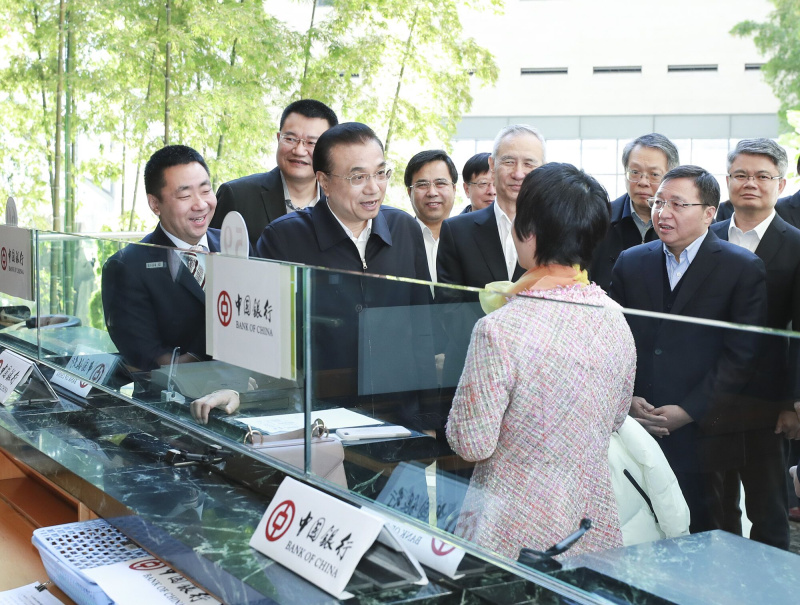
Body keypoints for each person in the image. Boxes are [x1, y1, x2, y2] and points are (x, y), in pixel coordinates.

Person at [446, 162, 636, 559]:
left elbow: (471, 442)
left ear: (529, 231)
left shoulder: (499, 328)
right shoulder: (616, 317)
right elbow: (616, 418)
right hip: (589, 516)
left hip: (509, 520)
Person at [609, 165, 768, 535]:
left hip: (706, 434)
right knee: (639, 530)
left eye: (678, 204)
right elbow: (613, 339)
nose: (663, 213)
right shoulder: (631, 261)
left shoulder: (742, 268)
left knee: (706, 531)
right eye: (659, 203)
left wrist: (689, 411)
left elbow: (743, 356)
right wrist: (627, 397)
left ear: (709, 213)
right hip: (638, 425)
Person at [256, 122, 436, 429]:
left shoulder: (404, 228)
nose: (373, 187)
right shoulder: (284, 238)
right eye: (358, 177)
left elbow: (422, 328)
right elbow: (268, 339)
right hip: (319, 420)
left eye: (381, 173)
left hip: (398, 416)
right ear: (324, 181)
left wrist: (428, 418)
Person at [101, 145, 245, 424]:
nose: (200, 204)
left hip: (246, 405)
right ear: (155, 204)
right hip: (172, 418)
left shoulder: (238, 247)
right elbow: (150, 364)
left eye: (205, 190)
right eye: (184, 195)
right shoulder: (127, 266)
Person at [709, 138, 800, 549]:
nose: (751, 183)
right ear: (727, 180)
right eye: (741, 175)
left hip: (768, 401)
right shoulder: (705, 238)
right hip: (709, 395)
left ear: (781, 184)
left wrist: (792, 402)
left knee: (768, 509)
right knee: (716, 507)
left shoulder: (796, 245)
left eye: (762, 176)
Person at [436, 125, 545, 386]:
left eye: (529, 163)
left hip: (536, 375)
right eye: (509, 161)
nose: (518, 173)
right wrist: (494, 349)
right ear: (492, 165)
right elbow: (449, 306)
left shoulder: (557, 230)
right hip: (470, 368)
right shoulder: (456, 230)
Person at [210, 99, 338, 245]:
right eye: (290, 139)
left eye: (311, 143)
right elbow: (212, 253)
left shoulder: (340, 203)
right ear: (278, 139)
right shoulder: (236, 196)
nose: (299, 151)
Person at [589, 133, 679, 290]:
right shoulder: (598, 218)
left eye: (654, 174)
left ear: (671, 177)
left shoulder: (685, 223)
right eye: (635, 172)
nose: (643, 182)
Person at [405, 150, 458, 283]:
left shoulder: (469, 239)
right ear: (409, 192)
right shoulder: (397, 240)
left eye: (440, 183)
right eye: (422, 185)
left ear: (454, 189)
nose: (432, 192)